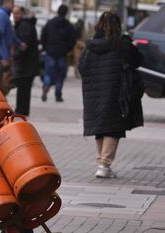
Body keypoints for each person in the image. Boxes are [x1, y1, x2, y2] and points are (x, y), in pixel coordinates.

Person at [78, 11, 144, 178]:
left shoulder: (91, 46)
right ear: (118, 26)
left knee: (101, 127)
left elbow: (81, 68)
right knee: (113, 128)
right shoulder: (122, 44)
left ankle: (101, 162)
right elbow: (138, 60)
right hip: (117, 91)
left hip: (94, 93)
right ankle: (104, 165)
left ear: (99, 25)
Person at [41, 4, 76, 102]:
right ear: (66, 13)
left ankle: (46, 86)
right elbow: (73, 39)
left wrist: (46, 47)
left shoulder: (50, 23)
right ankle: (58, 94)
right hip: (62, 53)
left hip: (50, 51)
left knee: (48, 72)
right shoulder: (68, 25)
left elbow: (43, 35)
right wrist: (67, 49)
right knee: (60, 74)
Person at [11, 6, 40, 116]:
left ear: (23, 13)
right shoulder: (25, 25)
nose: (15, 16)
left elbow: (23, 46)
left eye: (17, 13)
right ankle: (22, 110)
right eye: (13, 14)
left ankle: (21, 110)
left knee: (23, 88)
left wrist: (16, 57)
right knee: (24, 88)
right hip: (28, 63)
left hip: (26, 63)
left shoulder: (24, 26)